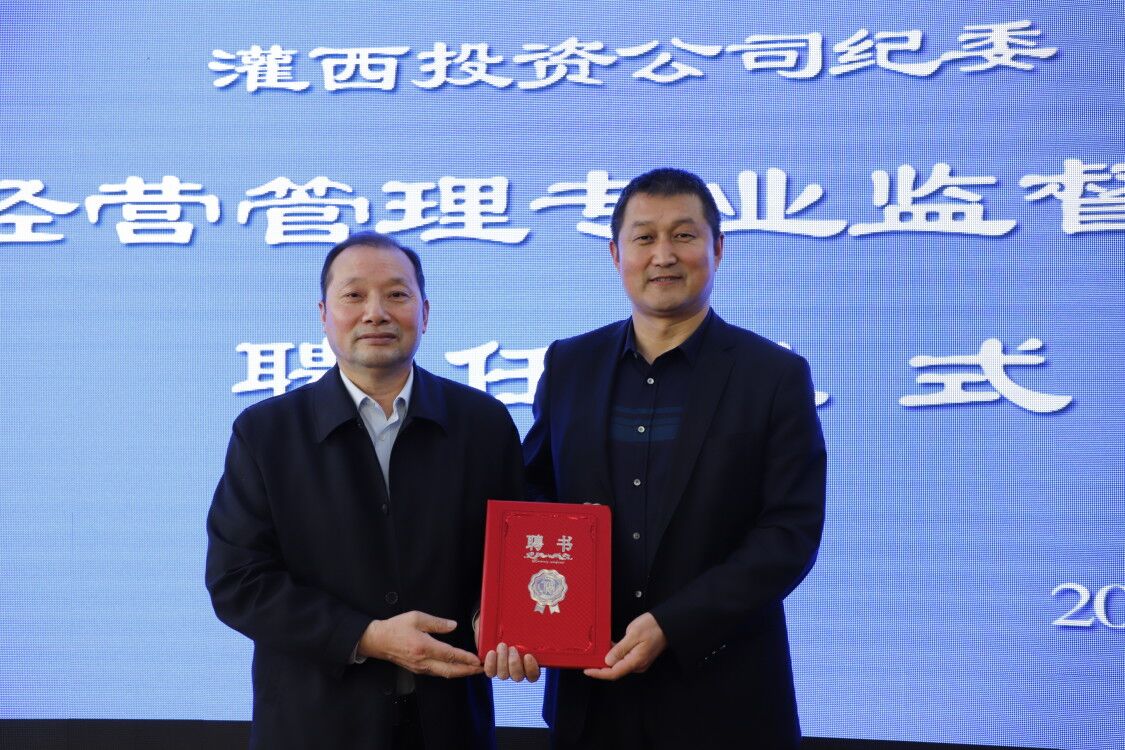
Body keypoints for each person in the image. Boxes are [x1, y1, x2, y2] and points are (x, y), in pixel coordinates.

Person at [521, 168, 827, 748]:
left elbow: (789, 534)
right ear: (616, 255)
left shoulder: (773, 376)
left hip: (725, 698)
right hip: (591, 693)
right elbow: (533, 495)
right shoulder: (569, 365)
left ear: (718, 248)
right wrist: (528, 609)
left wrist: (674, 624)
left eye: (684, 235)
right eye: (644, 238)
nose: (663, 255)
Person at [206, 231, 523, 750]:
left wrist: (499, 618)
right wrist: (366, 636)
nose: (376, 313)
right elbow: (238, 582)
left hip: (449, 724)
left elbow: (513, 556)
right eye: (354, 295)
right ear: (323, 315)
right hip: (313, 726)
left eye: (396, 294)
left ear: (425, 312)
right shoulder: (266, 433)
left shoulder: (483, 424)